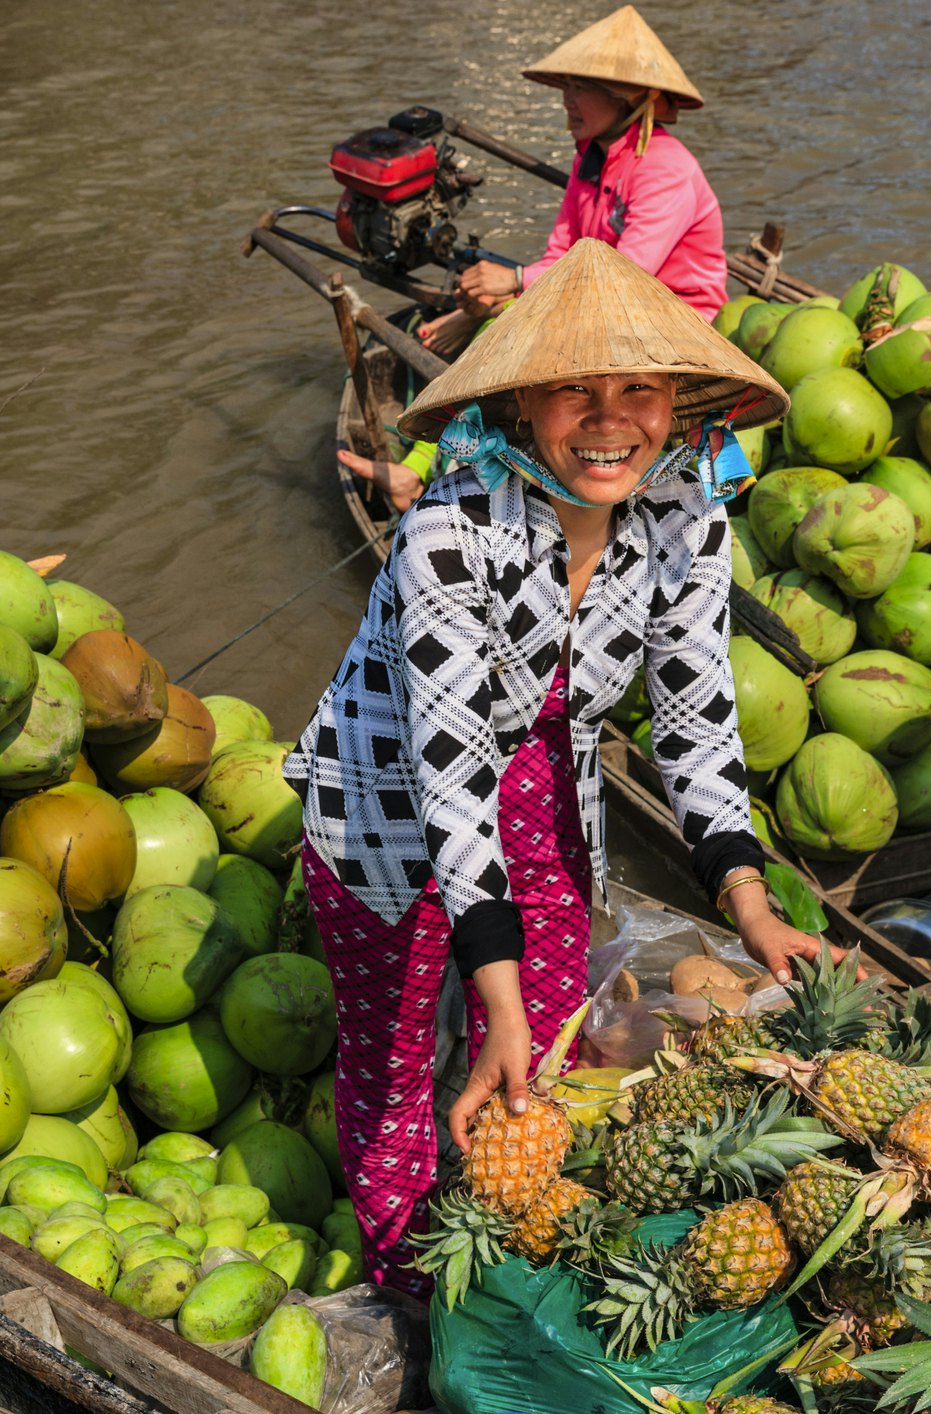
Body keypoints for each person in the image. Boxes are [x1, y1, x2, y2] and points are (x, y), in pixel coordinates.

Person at [286, 239, 829, 1292]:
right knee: (395, 1062)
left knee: (549, 1029)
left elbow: (696, 716)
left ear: (679, 403)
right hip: (392, 807)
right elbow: (447, 777)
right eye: (574, 390)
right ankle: (408, 1275)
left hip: (549, 791)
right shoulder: (449, 531)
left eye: (640, 389)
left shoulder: (685, 517)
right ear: (524, 404)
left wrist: (752, 904)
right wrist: (493, 1000)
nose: (609, 418)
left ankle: (516, 1239)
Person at [346, 6, 727, 512]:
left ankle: (422, 471)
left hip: (670, 319)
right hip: (599, 306)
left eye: (580, 88)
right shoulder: (589, 157)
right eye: (566, 87)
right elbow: (561, 255)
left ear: (629, 98)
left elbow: (626, 276)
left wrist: (516, 280)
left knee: (509, 343)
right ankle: (420, 469)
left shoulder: (666, 169)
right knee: (495, 329)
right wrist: (481, 304)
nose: (567, 101)